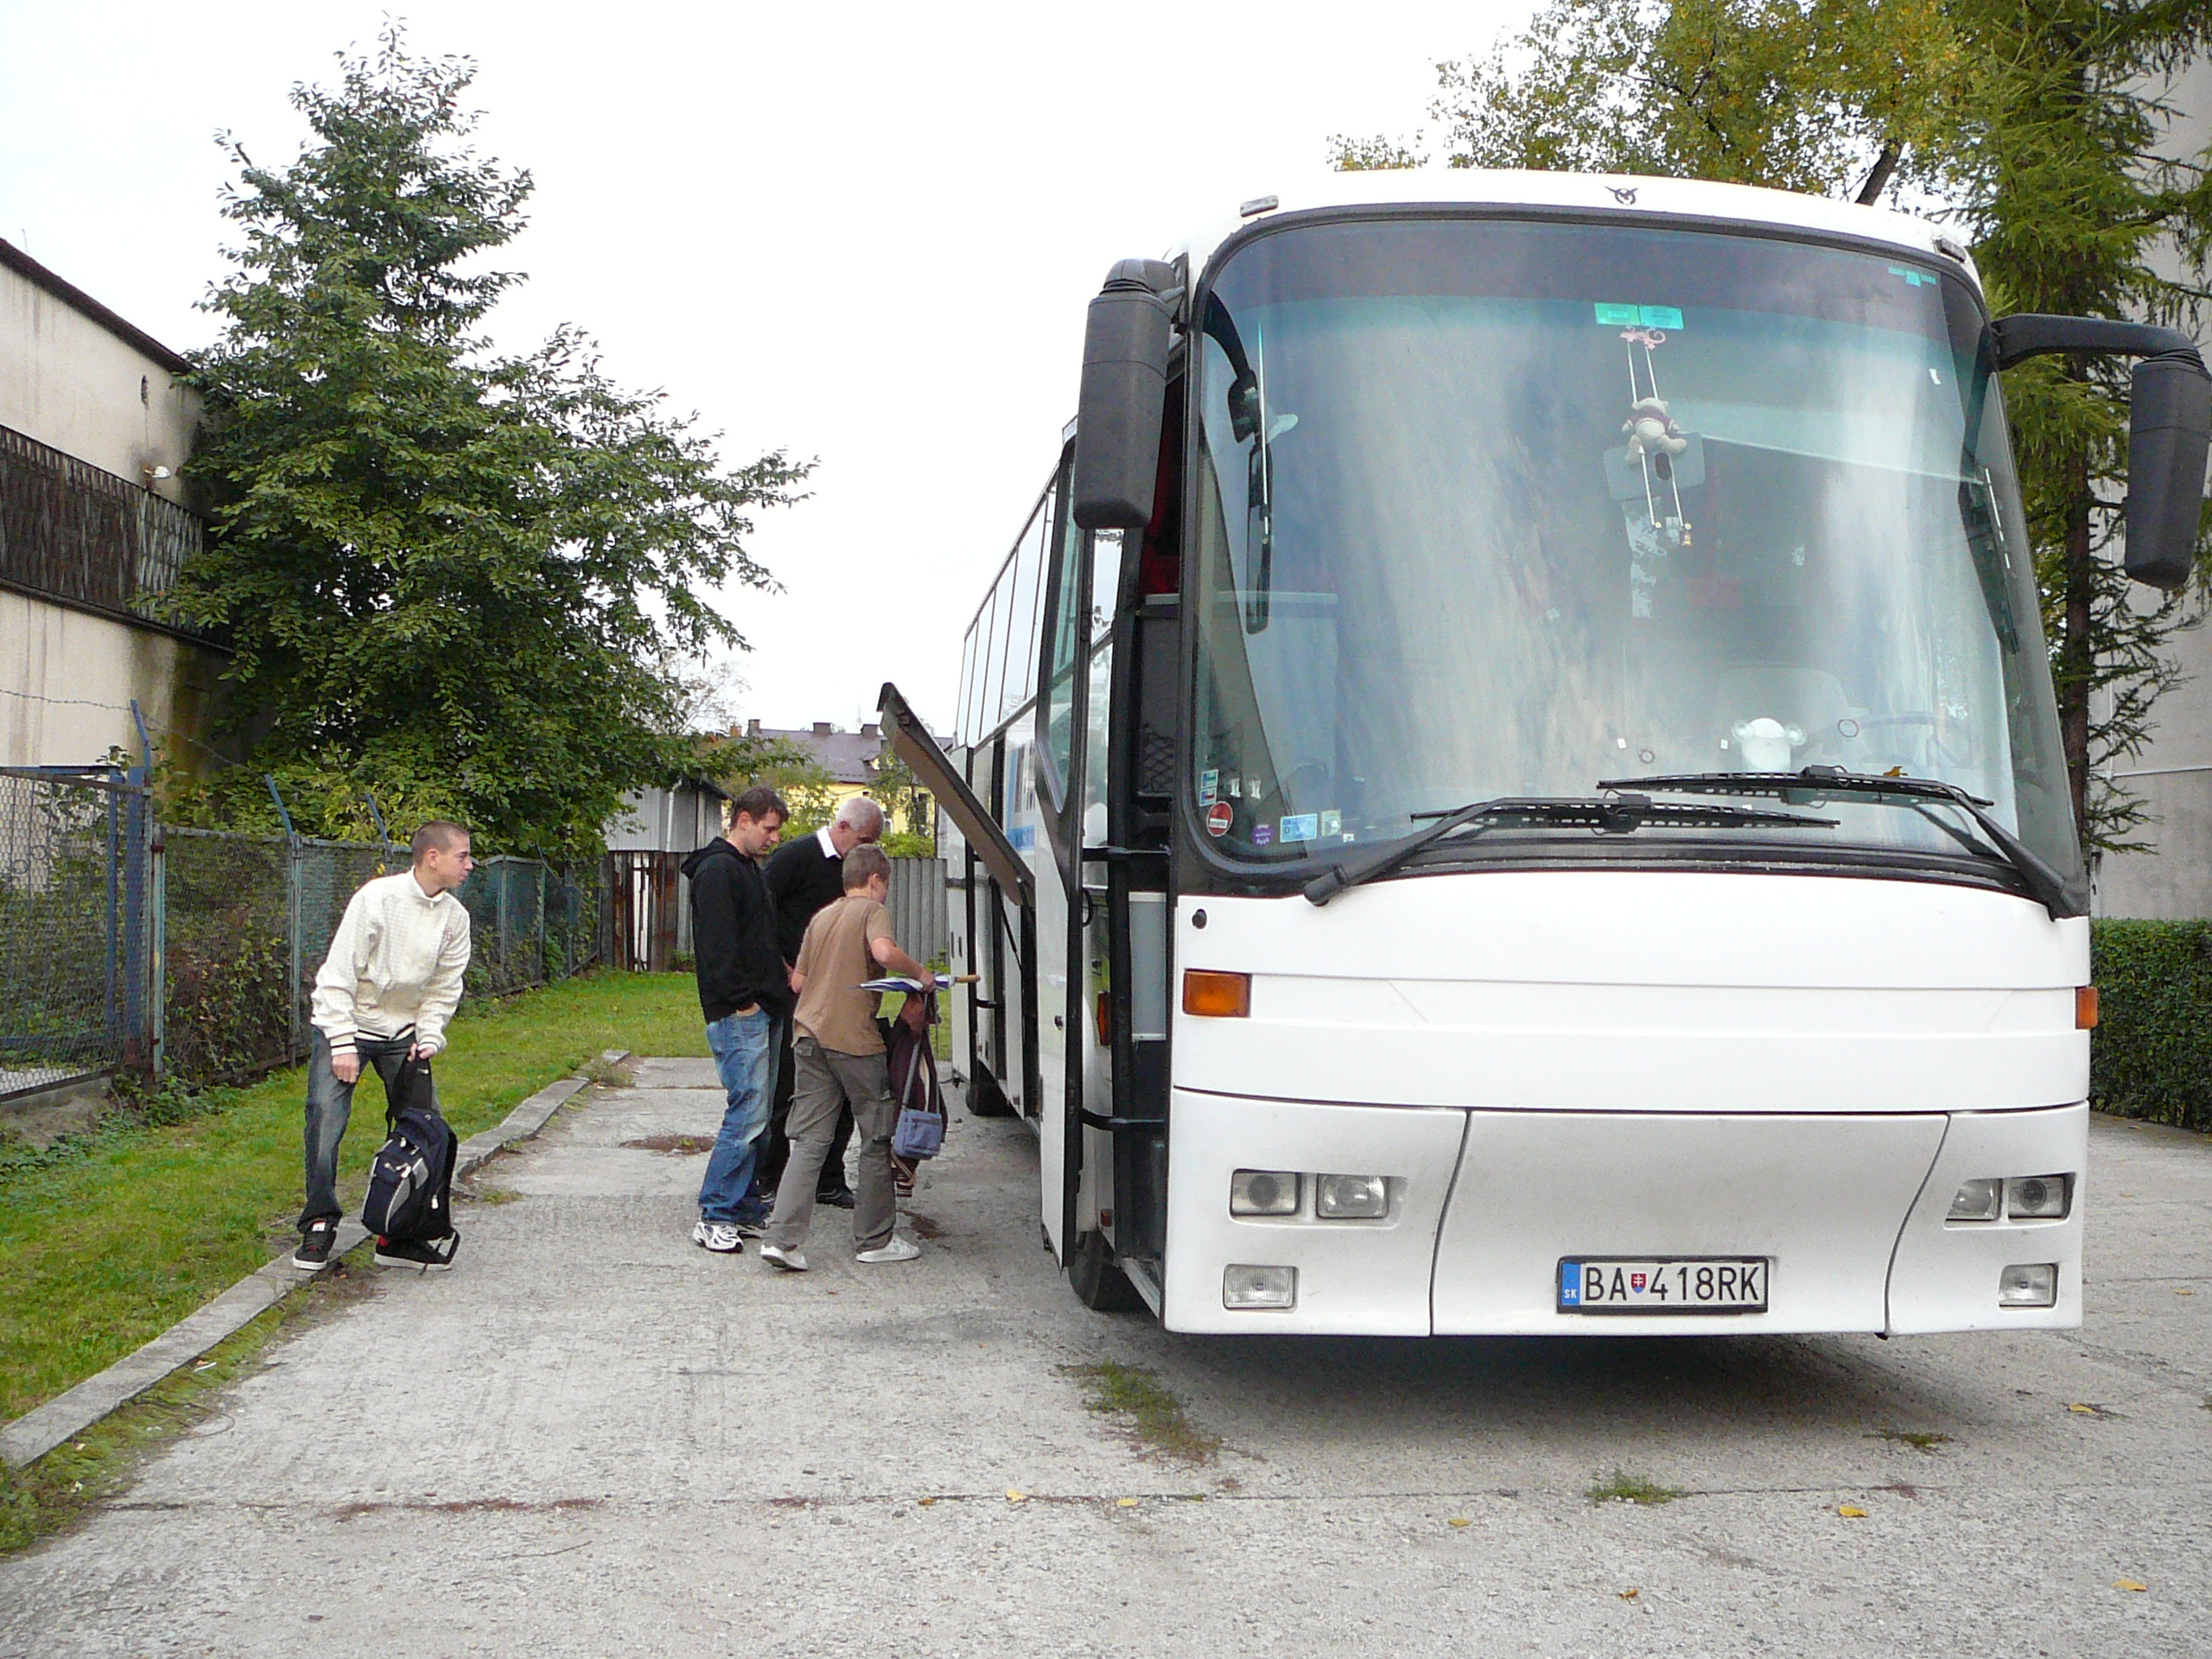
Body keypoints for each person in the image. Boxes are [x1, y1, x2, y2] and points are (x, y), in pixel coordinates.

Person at [291, 821, 474, 1272]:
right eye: (462, 856)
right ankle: (319, 1223)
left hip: (403, 1034)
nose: (470, 865)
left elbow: (444, 987)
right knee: (325, 1119)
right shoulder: (376, 899)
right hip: (349, 1024)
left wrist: (428, 1037)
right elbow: (338, 976)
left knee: (424, 1127)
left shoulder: (455, 918)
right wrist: (341, 1044)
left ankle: (398, 1236)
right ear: (432, 857)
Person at [758, 844, 929, 1273]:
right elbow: (885, 953)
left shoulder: (822, 917)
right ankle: (874, 1240)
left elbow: (798, 983)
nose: (885, 893)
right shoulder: (871, 911)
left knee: (810, 1140)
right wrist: (920, 975)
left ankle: (781, 1240)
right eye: (885, 885)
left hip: (808, 1037)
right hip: (854, 1041)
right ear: (875, 880)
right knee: (876, 1136)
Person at [760, 796, 886, 1209]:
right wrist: (782, 967)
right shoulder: (795, 857)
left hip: (840, 994)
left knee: (843, 1091)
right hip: (797, 989)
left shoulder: (855, 872)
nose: (867, 850)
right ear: (843, 827)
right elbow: (760, 908)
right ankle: (771, 1177)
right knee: (790, 1088)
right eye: (864, 840)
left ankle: (829, 1179)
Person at [683, 785, 791, 1255]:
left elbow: (760, 937)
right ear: (743, 819)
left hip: (765, 1007)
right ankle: (715, 1213)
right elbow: (717, 947)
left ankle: (744, 1204)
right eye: (769, 828)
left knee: (760, 1116)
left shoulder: (748, 870)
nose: (774, 838)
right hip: (739, 1013)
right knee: (746, 1113)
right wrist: (741, 1002)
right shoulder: (717, 871)